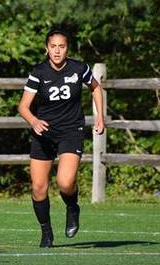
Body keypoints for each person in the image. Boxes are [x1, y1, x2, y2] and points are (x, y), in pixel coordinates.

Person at [17, 27, 105, 248]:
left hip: (70, 131)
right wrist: (33, 121)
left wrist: (100, 117)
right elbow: (23, 107)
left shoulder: (79, 68)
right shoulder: (39, 72)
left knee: (65, 183)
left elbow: (95, 88)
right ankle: (46, 232)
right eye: (53, 47)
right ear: (47, 49)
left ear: (67, 49)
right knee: (38, 188)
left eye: (62, 46)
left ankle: (72, 207)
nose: (57, 51)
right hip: (44, 132)